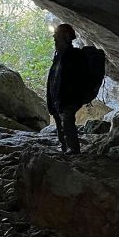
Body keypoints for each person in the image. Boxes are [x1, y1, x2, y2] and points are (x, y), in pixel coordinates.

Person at [46, 23, 85, 154]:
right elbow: (53, 78)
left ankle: (73, 150)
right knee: (60, 123)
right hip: (58, 98)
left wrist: (69, 97)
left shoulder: (73, 55)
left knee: (67, 121)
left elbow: (74, 79)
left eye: (57, 35)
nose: (54, 37)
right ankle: (65, 149)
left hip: (68, 98)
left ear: (66, 36)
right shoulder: (59, 55)